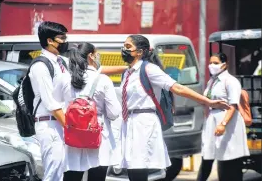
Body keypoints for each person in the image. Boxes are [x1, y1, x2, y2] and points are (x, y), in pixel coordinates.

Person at [118, 35, 230, 181]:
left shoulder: (149, 69)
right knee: (131, 168)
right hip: (129, 122)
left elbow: (177, 88)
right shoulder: (128, 72)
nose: (123, 50)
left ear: (139, 51)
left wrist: (207, 101)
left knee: (139, 167)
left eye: (128, 47)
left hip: (143, 122)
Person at [53, 42, 121, 181]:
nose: (98, 57)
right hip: (98, 136)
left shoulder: (65, 78)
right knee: (97, 176)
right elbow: (114, 112)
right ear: (90, 56)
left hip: (72, 135)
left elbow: (55, 105)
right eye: (97, 54)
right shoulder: (103, 80)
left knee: (71, 176)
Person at [196, 53, 250, 181]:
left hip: (227, 121)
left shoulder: (230, 81)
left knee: (230, 158)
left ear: (224, 64)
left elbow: (233, 105)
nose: (211, 66)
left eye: (215, 63)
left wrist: (223, 124)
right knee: (207, 155)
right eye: (210, 63)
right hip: (213, 119)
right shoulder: (212, 81)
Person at [29, 21, 69, 181]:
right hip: (49, 124)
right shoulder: (40, 66)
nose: (66, 41)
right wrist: (71, 128)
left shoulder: (62, 62)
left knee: (62, 171)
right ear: (49, 41)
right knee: (53, 173)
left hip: (62, 122)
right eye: (62, 38)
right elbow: (50, 102)